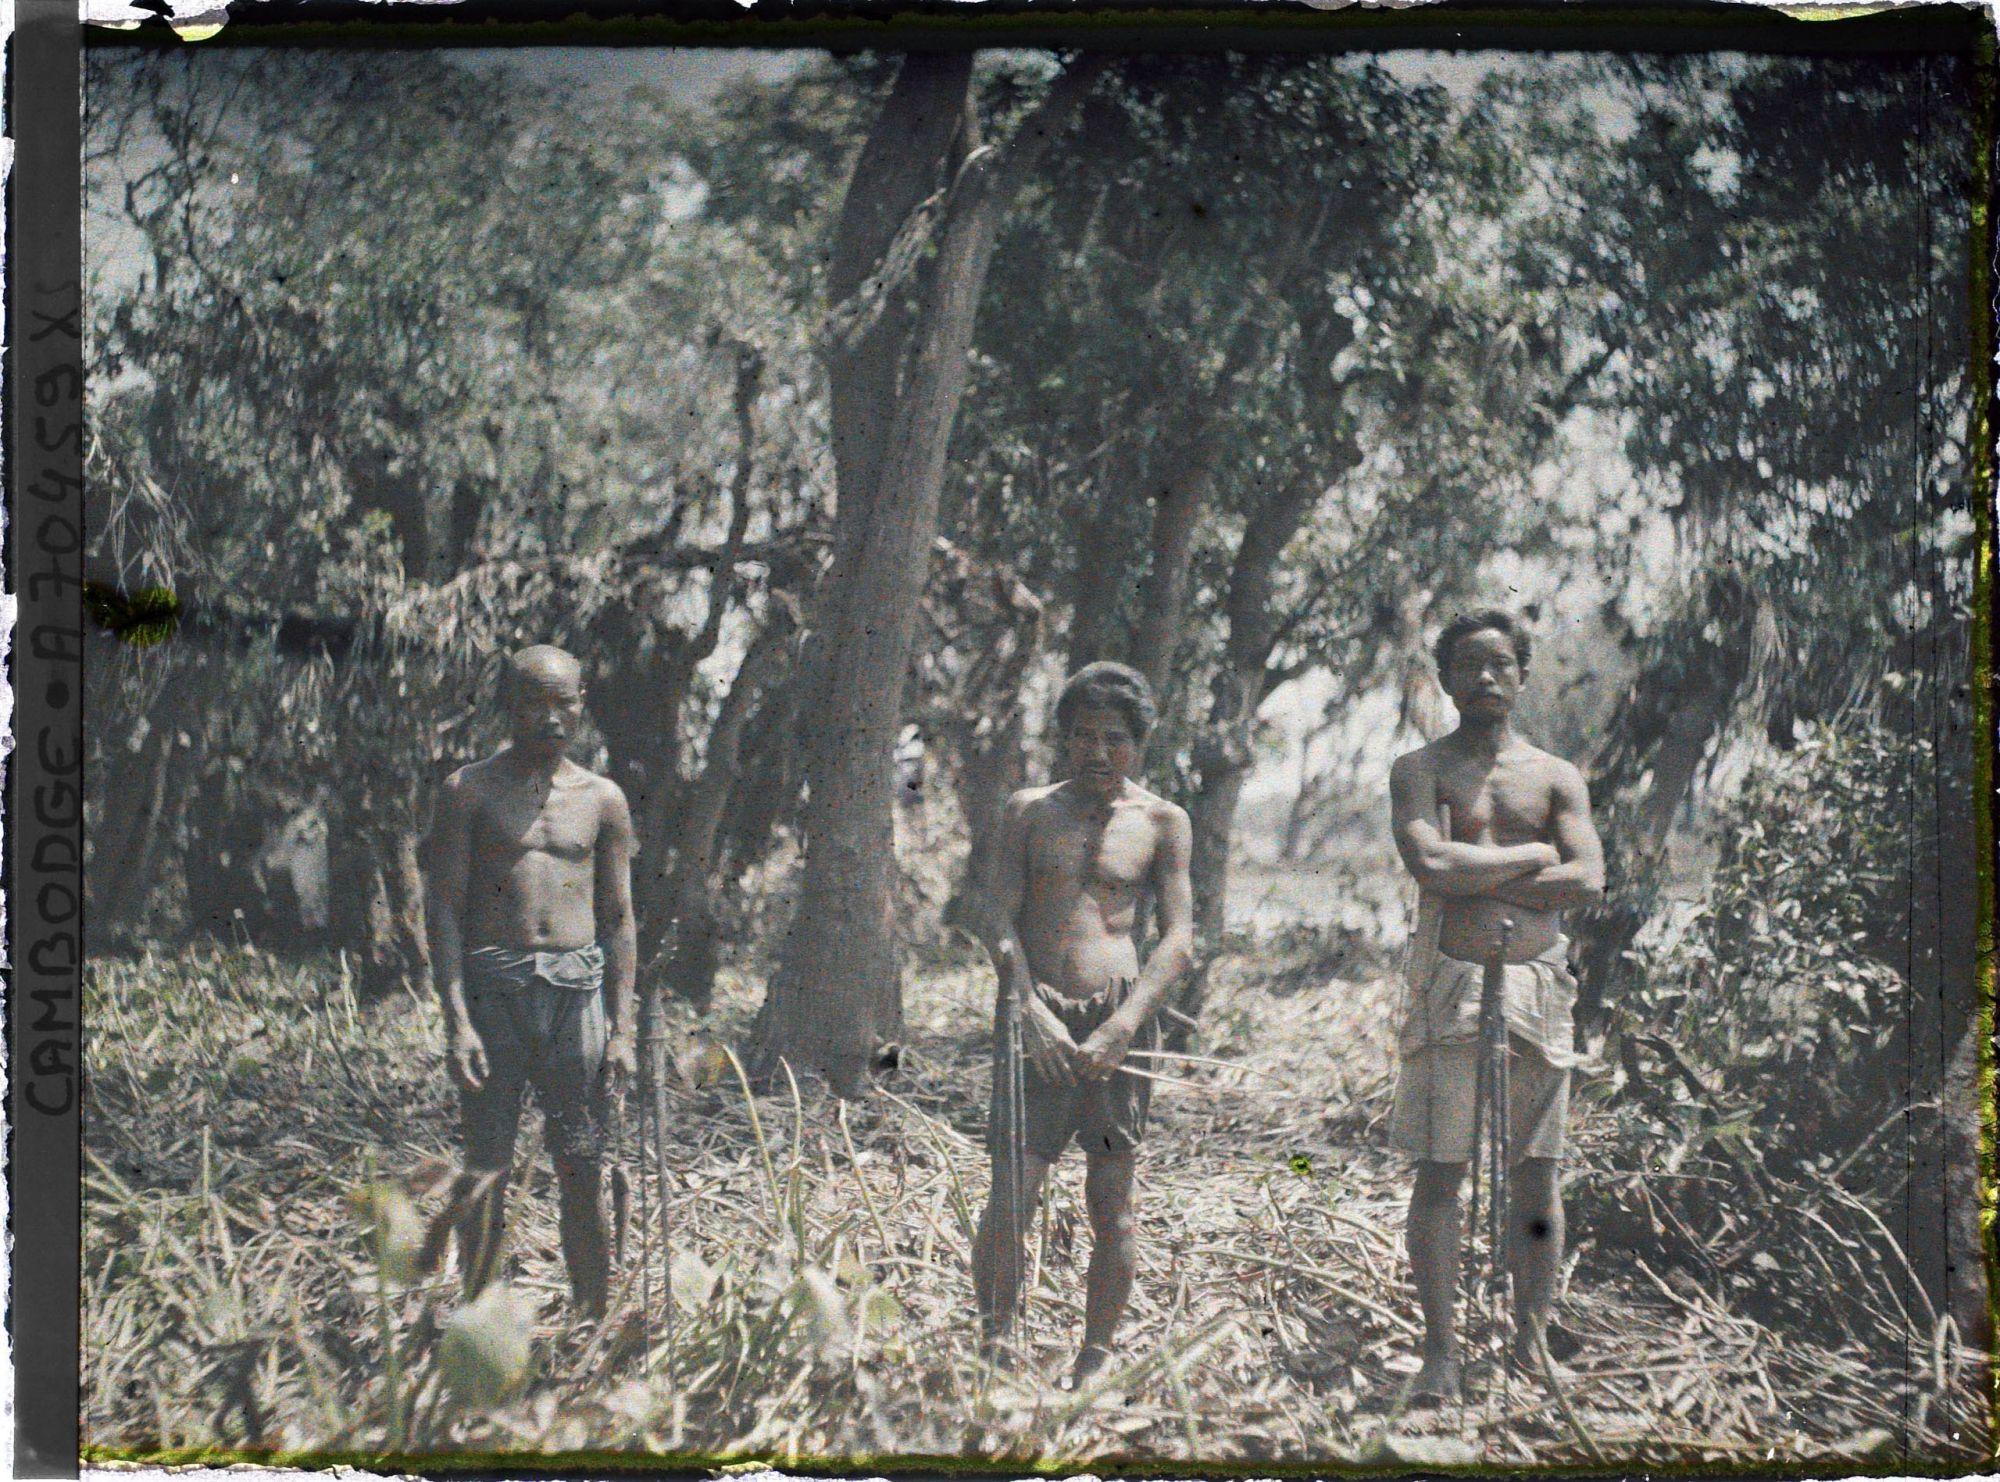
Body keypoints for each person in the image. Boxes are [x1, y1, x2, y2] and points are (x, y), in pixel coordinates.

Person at [1386, 608, 1605, 1401]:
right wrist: (1533, 855)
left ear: (1520, 675)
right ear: (1446, 679)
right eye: (1468, 665)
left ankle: (1533, 1339)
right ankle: (1442, 1352)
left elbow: (1587, 881)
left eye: (1500, 664)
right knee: (1441, 1172)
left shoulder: (1554, 774)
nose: (1485, 678)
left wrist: (1476, 869)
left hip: (1540, 984)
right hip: (1450, 980)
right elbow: (1430, 863)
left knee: (1535, 1175)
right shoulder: (1421, 769)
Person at [971, 661, 1195, 1388]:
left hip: (1115, 1035)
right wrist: (1027, 1007)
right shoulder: (1029, 811)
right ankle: (996, 1348)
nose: (1098, 752)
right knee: (1013, 1193)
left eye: (1116, 739)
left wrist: (1126, 1024)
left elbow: (1178, 937)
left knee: (1112, 1199)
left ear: (1141, 743)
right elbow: (998, 917)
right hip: (1035, 1024)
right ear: (1064, 739)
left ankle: (1095, 1358)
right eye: (1084, 737)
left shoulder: (1163, 822)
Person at [423, 644, 639, 1318]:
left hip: (577, 998)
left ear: (581, 705)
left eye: (563, 702)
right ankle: (480, 1325)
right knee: (486, 1165)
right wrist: (456, 1018)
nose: (550, 717)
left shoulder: (603, 799)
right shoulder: (468, 791)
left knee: (582, 1163)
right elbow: (443, 908)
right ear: (508, 707)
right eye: (533, 703)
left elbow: (620, 917)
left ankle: (591, 1319)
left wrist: (623, 1030)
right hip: (497, 994)